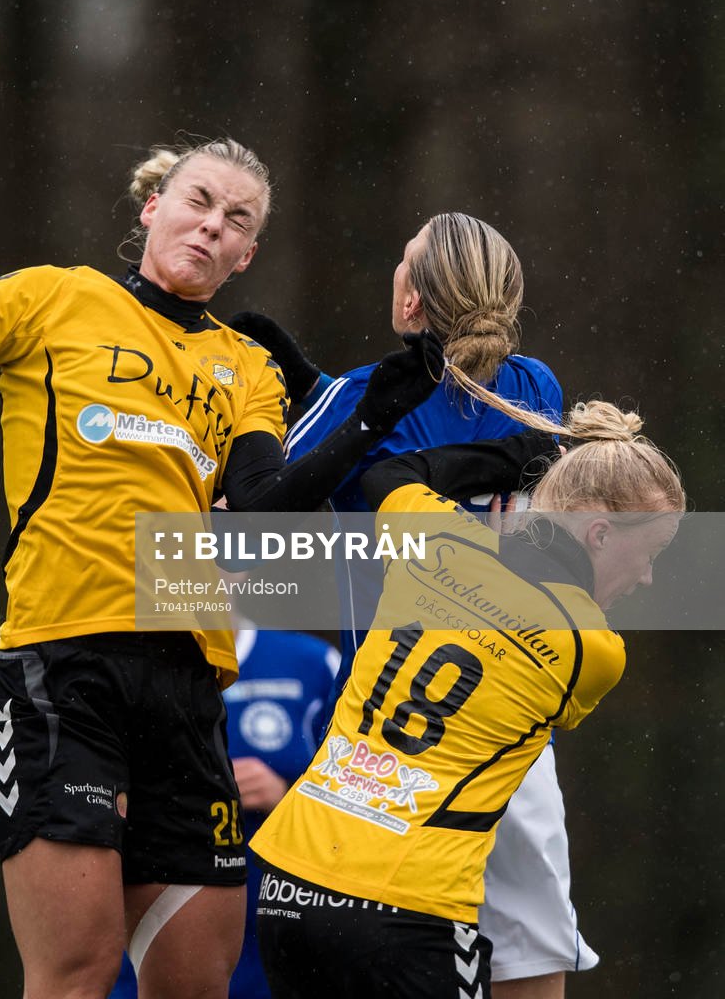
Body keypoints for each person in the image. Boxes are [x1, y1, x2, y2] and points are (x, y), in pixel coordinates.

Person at [0, 143, 444, 999]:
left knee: (198, 986)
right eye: (199, 200)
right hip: (64, 672)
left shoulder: (244, 365)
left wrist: (369, 419)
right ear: (153, 204)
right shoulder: (53, 297)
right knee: (77, 973)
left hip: (193, 693)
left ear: (247, 256)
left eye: (238, 221)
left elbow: (265, 512)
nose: (213, 224)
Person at [232, 213, 590, 997]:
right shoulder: (535, 387)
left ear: (416, 304)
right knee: (532, 955)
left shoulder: (363, 398)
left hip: (386, 733)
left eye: (406, 264)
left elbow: (264, 515)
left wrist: (296, 408)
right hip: (505, 731)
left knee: (371, 960)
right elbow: (451, 421)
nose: (394, 274)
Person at [251, 399, 685, 999]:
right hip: (406, 908)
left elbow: (388, 476)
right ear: (602, 533)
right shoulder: (594, 651)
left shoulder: (437, 540)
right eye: (652, 555)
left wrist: (509, 458)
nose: (647, 578)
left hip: (289, 881)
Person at [109, 625, 341, 999]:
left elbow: (366, 802)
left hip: (281, 938)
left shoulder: (311, 663)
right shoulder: (122, 657)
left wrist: (286, 798)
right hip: (152, 928)